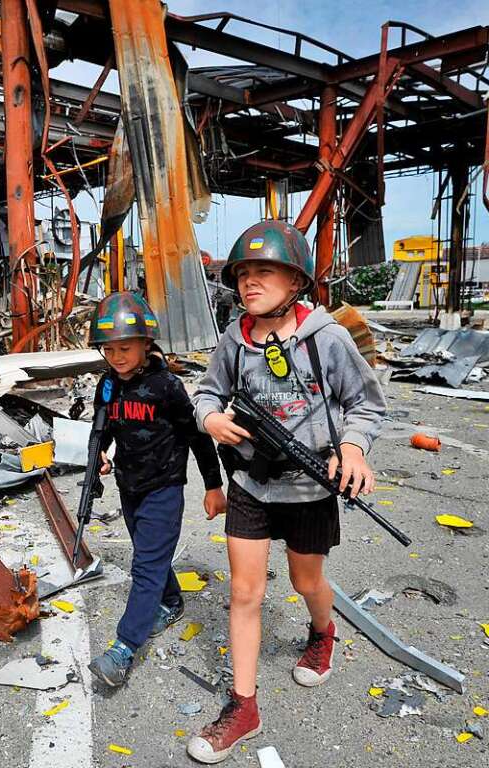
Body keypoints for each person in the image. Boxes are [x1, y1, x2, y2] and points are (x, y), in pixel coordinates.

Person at [188, 221, 386, 763]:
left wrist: (354, 449)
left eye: (265, 271)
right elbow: (207, 391)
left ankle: (323, 633)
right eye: (244, 274)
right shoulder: (236, 336)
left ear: (296, 280)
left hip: (310, 487)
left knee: (307, 580)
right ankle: (243, 706)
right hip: (251, 483)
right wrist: (211, 420)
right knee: (244, 593)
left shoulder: (328, 338)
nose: (251, 282)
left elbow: (367, 404)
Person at [86, 291, 227, 687]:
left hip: (164, 488)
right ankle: (171, 602)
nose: (116, 356)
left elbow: (199, 438)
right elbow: (103, 431)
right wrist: (98, 458)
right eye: (109, 349)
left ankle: (123, 649)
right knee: (151, 555)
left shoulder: (167, 387)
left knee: (145, 566)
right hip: (129, 486)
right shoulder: (108, 386)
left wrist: (213, 486)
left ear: (147, 343)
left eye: (125, 347)